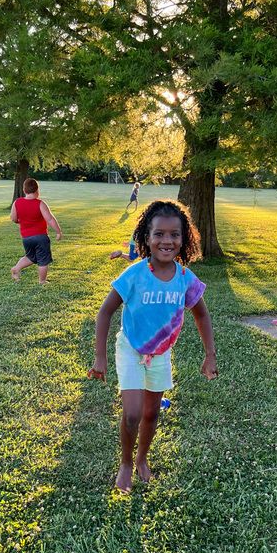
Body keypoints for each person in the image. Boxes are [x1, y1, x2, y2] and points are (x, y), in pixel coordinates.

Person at [89, 199, 218, 493]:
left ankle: (142, 459)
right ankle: (125, 463)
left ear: (184, 239)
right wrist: (100, 357)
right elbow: (105, 312)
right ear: (146, 238)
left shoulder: (185, 279)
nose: (166, 241)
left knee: (151, 413)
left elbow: (201, 314)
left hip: (160, 353)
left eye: (174, 234)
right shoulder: (134, 275)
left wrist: (210, 355)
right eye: (159, 234)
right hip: (131, 349)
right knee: (133, 413)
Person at [10, 178, 62, 285]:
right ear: (37, 190)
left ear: (24, 190)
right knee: (43, 260)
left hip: (26, 238)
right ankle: (42, 281)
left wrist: (19, 221)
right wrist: (58, 232)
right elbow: (50, 219)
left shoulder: (17, 202)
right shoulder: (40, 203)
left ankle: (16, 268)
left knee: (30, 257)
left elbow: (14, 218)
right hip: (40, 237)